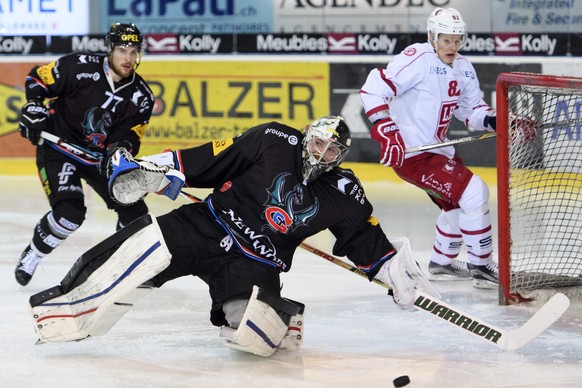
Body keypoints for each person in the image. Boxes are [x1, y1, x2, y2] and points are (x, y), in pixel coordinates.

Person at [28, 116, 440, 357]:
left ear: (341, 158)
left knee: (257, 334)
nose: (319, 153)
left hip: (255, 262)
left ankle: (284, 312)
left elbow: (364, 241)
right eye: (317, 142)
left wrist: (393, 270)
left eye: (331, 151)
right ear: (307, 134)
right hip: (205, 226)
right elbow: (210, 156)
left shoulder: (343, 191)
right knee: (136, 252)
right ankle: (68, 302)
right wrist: (153, 170)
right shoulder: (273, 139)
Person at [359, 8, 535, 287]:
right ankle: (481, 264)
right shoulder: (416, 58)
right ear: (432, 36)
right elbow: (373, 88)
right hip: (413, 155)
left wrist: (501, 121)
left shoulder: (463, 67)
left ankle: (442, 261)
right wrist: (385, 126)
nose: (452, 46)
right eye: (446, 40)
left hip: (438, 152)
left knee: (456, 207)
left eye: (457, 40)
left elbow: (472, 111)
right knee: (474, 192)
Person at [15, 23, 155, 286]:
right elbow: (37, 78)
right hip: (59, 148)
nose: (129, 58)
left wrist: (119, 152)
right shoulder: (79, 65)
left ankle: (117, 264)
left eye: (134, 51)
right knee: (69, 213)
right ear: (110, 49)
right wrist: (34, 105)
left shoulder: (142, 96)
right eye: (123, 50)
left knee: (135, 212)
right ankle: (33, 253)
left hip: (98, 160)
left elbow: (131, 135)